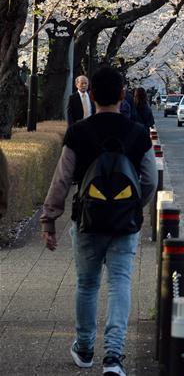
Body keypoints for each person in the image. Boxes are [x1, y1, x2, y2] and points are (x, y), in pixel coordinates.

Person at [41, 65, 158, 376]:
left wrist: (49, 219)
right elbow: (150, 180)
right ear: (122, 95)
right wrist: (134, 206)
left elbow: (62, 179)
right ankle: (115, 357)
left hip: (87, 219)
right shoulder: (137, 133)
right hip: (124, 223)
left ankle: (84, 348)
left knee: (87, 284)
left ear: (91, 94)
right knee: (120, 283)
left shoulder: (79, 132)